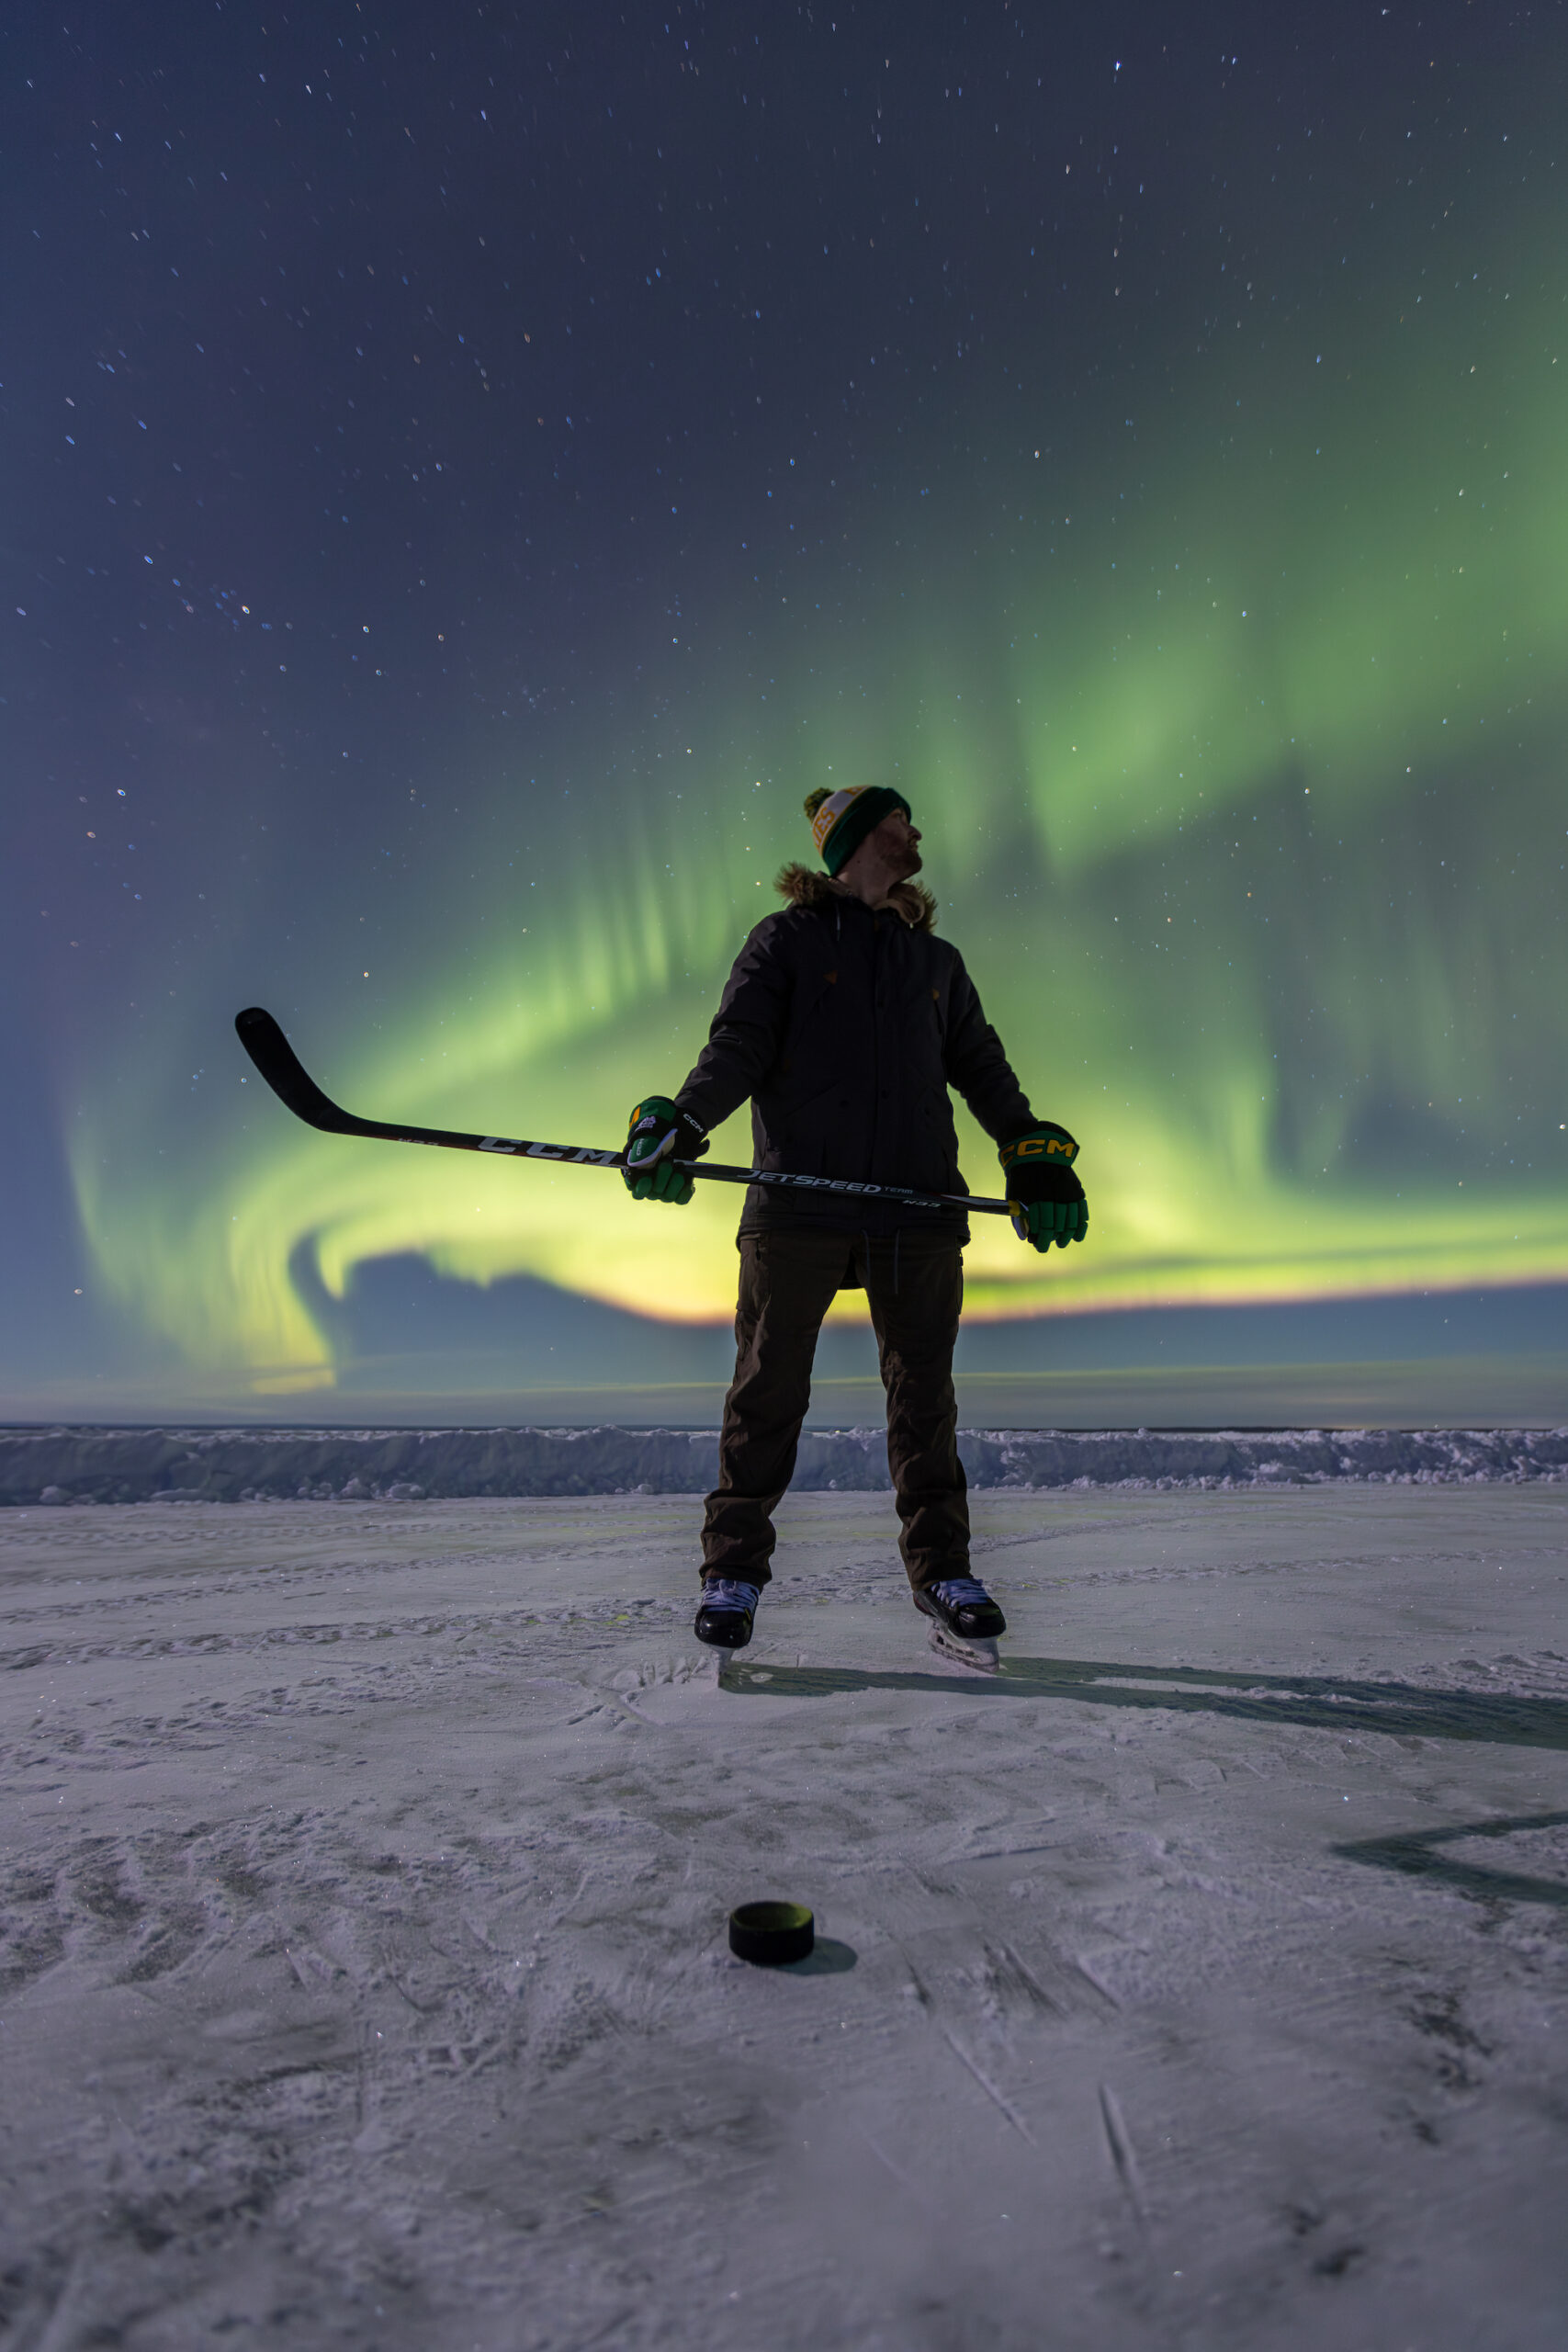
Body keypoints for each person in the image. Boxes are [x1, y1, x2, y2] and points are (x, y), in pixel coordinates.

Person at [621, 783, 1088, 1661]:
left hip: (916, 1207)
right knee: (766, 1391)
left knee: (924, 1401)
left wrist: (1029, 1150)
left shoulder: (936, 962)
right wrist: (684, 1121)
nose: (917, 831)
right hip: (797, 1204)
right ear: (860, 839)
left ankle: (943, 1572)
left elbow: (983, 1070)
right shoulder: (786, 940)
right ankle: (732, 1573)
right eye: (900, 821)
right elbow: (738, 1045)